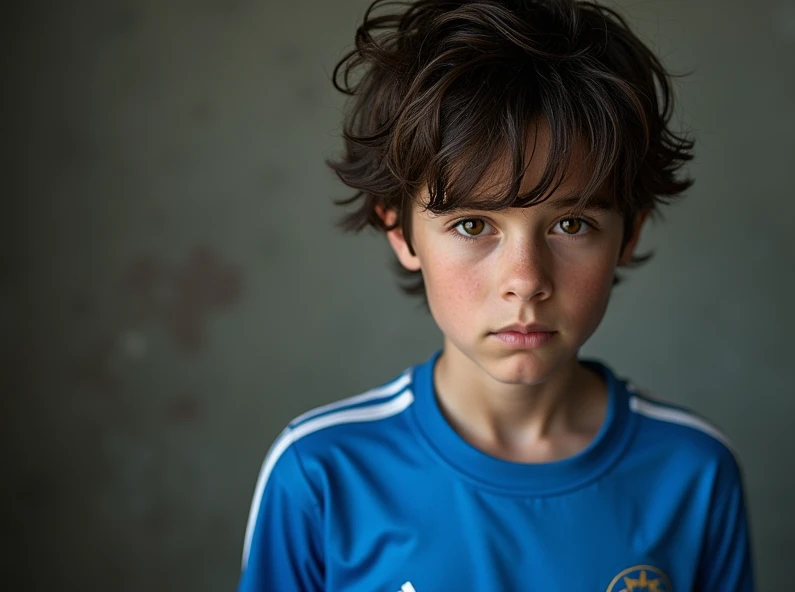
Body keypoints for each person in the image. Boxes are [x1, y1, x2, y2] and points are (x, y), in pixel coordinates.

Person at [238, 0, 755, 590]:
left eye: (572, 224)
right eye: (472, 225)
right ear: (400, 230)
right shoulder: (321, 474)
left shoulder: (691, 471)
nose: (525, 279)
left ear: (628, 234)